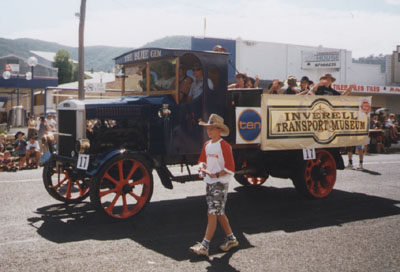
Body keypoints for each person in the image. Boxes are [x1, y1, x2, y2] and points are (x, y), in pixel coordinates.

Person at [189, 114, 238, 256]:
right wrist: (202, 167)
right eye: (207, 129)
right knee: (219, 213)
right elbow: (201, 160)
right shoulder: (207, 145)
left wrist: (215, 175)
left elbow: (230, 167)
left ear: (219, 130)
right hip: (210, 183)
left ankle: (205, 246)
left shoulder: (225, 146)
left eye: (212, 129)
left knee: (212, 213)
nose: (209, 131)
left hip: (220, 184)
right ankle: (232, 239)